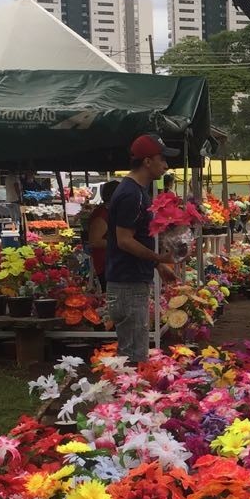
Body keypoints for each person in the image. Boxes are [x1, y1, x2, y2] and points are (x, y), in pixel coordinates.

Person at [106, 134, 180, 363]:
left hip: (130, 281)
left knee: (134, 353)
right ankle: (124, 398)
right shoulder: (131, 194)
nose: (166, 166)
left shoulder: (138, 192)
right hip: (127, 283)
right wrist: (157, 256)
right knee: (133, 358)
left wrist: (157, 265)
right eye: (162, 159)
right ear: (147, 161)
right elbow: (124, 240)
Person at [87, 180, 119, 292]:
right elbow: (94, 241)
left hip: (113, 263)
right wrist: (120, 243)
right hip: (107, 264)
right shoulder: (102, 214)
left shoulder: (110, 212)